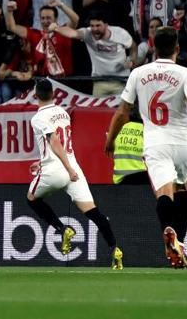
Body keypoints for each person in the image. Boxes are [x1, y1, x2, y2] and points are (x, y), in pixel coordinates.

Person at [104, 27, 187, 269]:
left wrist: (111, 140)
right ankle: (179, 241)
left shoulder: (138, 73)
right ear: (177, 49)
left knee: (164, 193)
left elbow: (122, 113)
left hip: (156, 142)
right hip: (184, 142)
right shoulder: (186, 73)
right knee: (181, 186)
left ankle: (169, 233)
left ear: (153, 49)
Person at [28, 78, 123, 269]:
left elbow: (54, 142)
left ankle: (62, 229)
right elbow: (60, 143)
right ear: (53, 94)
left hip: (57, 169)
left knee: (31, 199)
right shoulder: (63, 113)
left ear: (35, 95)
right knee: (94, 212)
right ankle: (115, 249)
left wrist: (64, 168)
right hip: (73, 167)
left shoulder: (37, 118)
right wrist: (62, 166)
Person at [50, 10, 136, 95]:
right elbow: (73, 33)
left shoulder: (120, 33)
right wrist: (57, 28)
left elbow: (133, 47)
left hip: (121, 81)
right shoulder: (88, 33)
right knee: (97, 109)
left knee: (122, 109)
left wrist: (131, 60)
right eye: (92, 26)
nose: (94, 29)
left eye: (98, 25)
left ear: (106, 25)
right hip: (99, 83)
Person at [111, 106, 147, 185]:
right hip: (143, 181)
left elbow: (112, 153)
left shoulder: (118, 129)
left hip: (120, 183)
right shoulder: (147, 131)